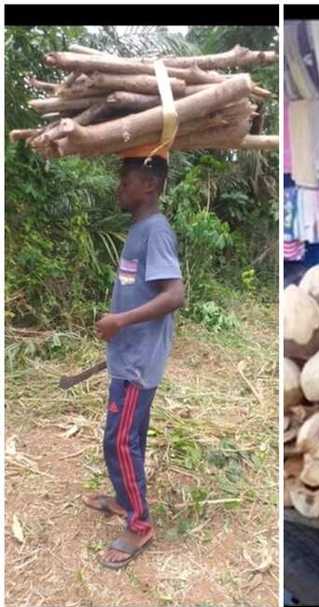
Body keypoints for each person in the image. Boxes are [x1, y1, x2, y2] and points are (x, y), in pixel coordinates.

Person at [81, 155, 185, 568]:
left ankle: (139, 525)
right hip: (129, 357)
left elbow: (174, 295)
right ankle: (125, 501)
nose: (118, 188)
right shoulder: (139, 229)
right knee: (128, 438)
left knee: (120, 441)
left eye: (125, 181)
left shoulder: (156, 231)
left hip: (138, 364)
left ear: (150, 186)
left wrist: (119, 320)